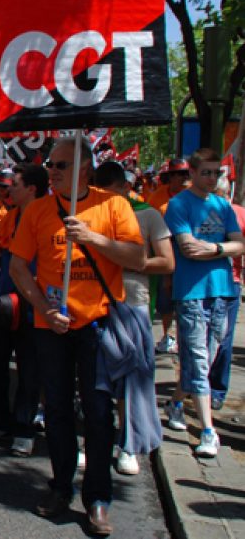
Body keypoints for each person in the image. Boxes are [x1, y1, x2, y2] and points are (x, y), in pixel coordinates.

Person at [9, 136, 144, 536]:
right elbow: (18, 267)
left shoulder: (113, 205)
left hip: (98, 326)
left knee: (100, 413)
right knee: (57, 411)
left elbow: (138, 258)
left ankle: (98, 498)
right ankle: (61, 485)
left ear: (84, 167)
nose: (52, 171)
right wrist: (44, 309)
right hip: (53, 326)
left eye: (61, 165)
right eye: (50, 164)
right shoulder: (36, 210)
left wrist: (93, 239)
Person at [94, 160, 175, 475]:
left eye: (112, 192)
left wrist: (128, 262)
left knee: (132, 378)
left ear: (126, 188)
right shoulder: (92, 214)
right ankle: (94, 442)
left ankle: (128, 445)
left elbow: (167, 263)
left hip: (134, 305)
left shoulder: (148, 215)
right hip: (98, 305)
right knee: (97, 379)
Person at [162, 148, 244, 458]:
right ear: (193, 173)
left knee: (208, 357)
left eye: (216, 173)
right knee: (197, 357)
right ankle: (209, 431)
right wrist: (224, 248)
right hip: (192, 292)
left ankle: (175, 402)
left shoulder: (223, 205)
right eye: (206, 172)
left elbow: (239, 245)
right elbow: (186, 248)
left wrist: (211, 247)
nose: (212, 178)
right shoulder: (179, 205)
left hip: (222, 290)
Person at [0, 162, 48, 457]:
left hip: (35, 306)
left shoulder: (50, 216)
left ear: (31, 189)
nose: (7, 190)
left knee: (30, 370)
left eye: (13, 185)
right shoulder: (12, 216)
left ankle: (24, 428)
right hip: (5, 303)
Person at [210, 176, 244, 411]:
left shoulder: (239, 213)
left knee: (224, 340)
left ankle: (217, 390)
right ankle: (196, 386)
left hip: (231, 283)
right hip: (202, 284)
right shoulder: (198, 211)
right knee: (200, 342)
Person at [150, 158, 190, 354]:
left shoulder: (194, 196)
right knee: (165, 297)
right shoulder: (157, 197)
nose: (183, 178)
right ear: (171, 177)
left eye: (186, 174)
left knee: (185, 297)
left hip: (188, 255)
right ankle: (168, 335)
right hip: (164, 251)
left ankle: (185, 336)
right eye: (179, 174)